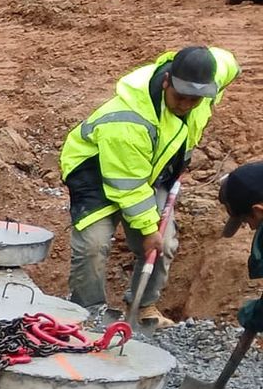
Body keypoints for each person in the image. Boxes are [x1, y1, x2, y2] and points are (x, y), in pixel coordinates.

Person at [59, 44, 240, 322]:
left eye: (195, 100)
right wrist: (146, 229)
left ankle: (143, 307)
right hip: (95, 171)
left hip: (149, 168)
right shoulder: (130, 121)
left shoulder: (207, 81)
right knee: (94, 245)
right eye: (180, 98)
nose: (186, 106)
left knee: (164, 244)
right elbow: (128, 184)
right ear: (167, 81)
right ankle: (90, 313)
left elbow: (227, 63)